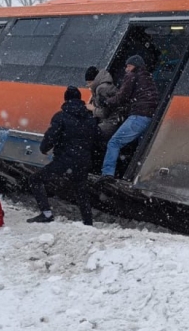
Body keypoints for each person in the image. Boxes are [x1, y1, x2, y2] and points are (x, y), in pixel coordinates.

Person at [27, 86, 100, 225]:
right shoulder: (90, 119)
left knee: (36, 180)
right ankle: (88, 221)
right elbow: (97, 139)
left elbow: (52, 135)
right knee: (81, 190)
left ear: (66, 99)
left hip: (64, 160)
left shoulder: (61, 117)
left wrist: (44, 148)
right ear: (80, 99)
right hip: (83, 161)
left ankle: (46, 213)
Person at [100, 55, 159, 178]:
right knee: (141, 149)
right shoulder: (148, 78)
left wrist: (106, 102)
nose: (126, 69)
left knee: (114, 143)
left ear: (135, 66)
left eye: (129, 66)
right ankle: (136, 177)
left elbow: (122, 97)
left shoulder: (132, 76)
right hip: (150, 118)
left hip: (138, 117)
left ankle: (107, 174)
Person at [85, 65, 123, 138]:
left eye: (89, 82)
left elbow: (104, 113)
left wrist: (93, 109)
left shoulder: (101, 89)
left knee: (89, 134)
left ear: (95, 80)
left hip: (112, 121)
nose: (88, 85)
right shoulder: (104, 85)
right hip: (115, 120)